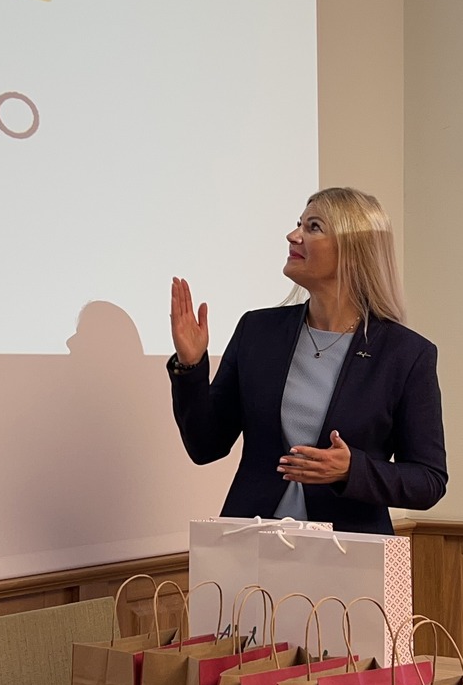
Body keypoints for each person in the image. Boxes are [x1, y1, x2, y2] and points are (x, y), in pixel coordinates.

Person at [167, 187, 446, 533]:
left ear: (353, 250)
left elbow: (428, 480)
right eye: (299, 224)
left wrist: (352, 470)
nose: (293, 235)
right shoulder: (257, 331)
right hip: (252, 541)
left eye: (313, 227)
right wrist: (191, 365)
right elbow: (205, 446)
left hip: (349, 550)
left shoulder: (406, 354)